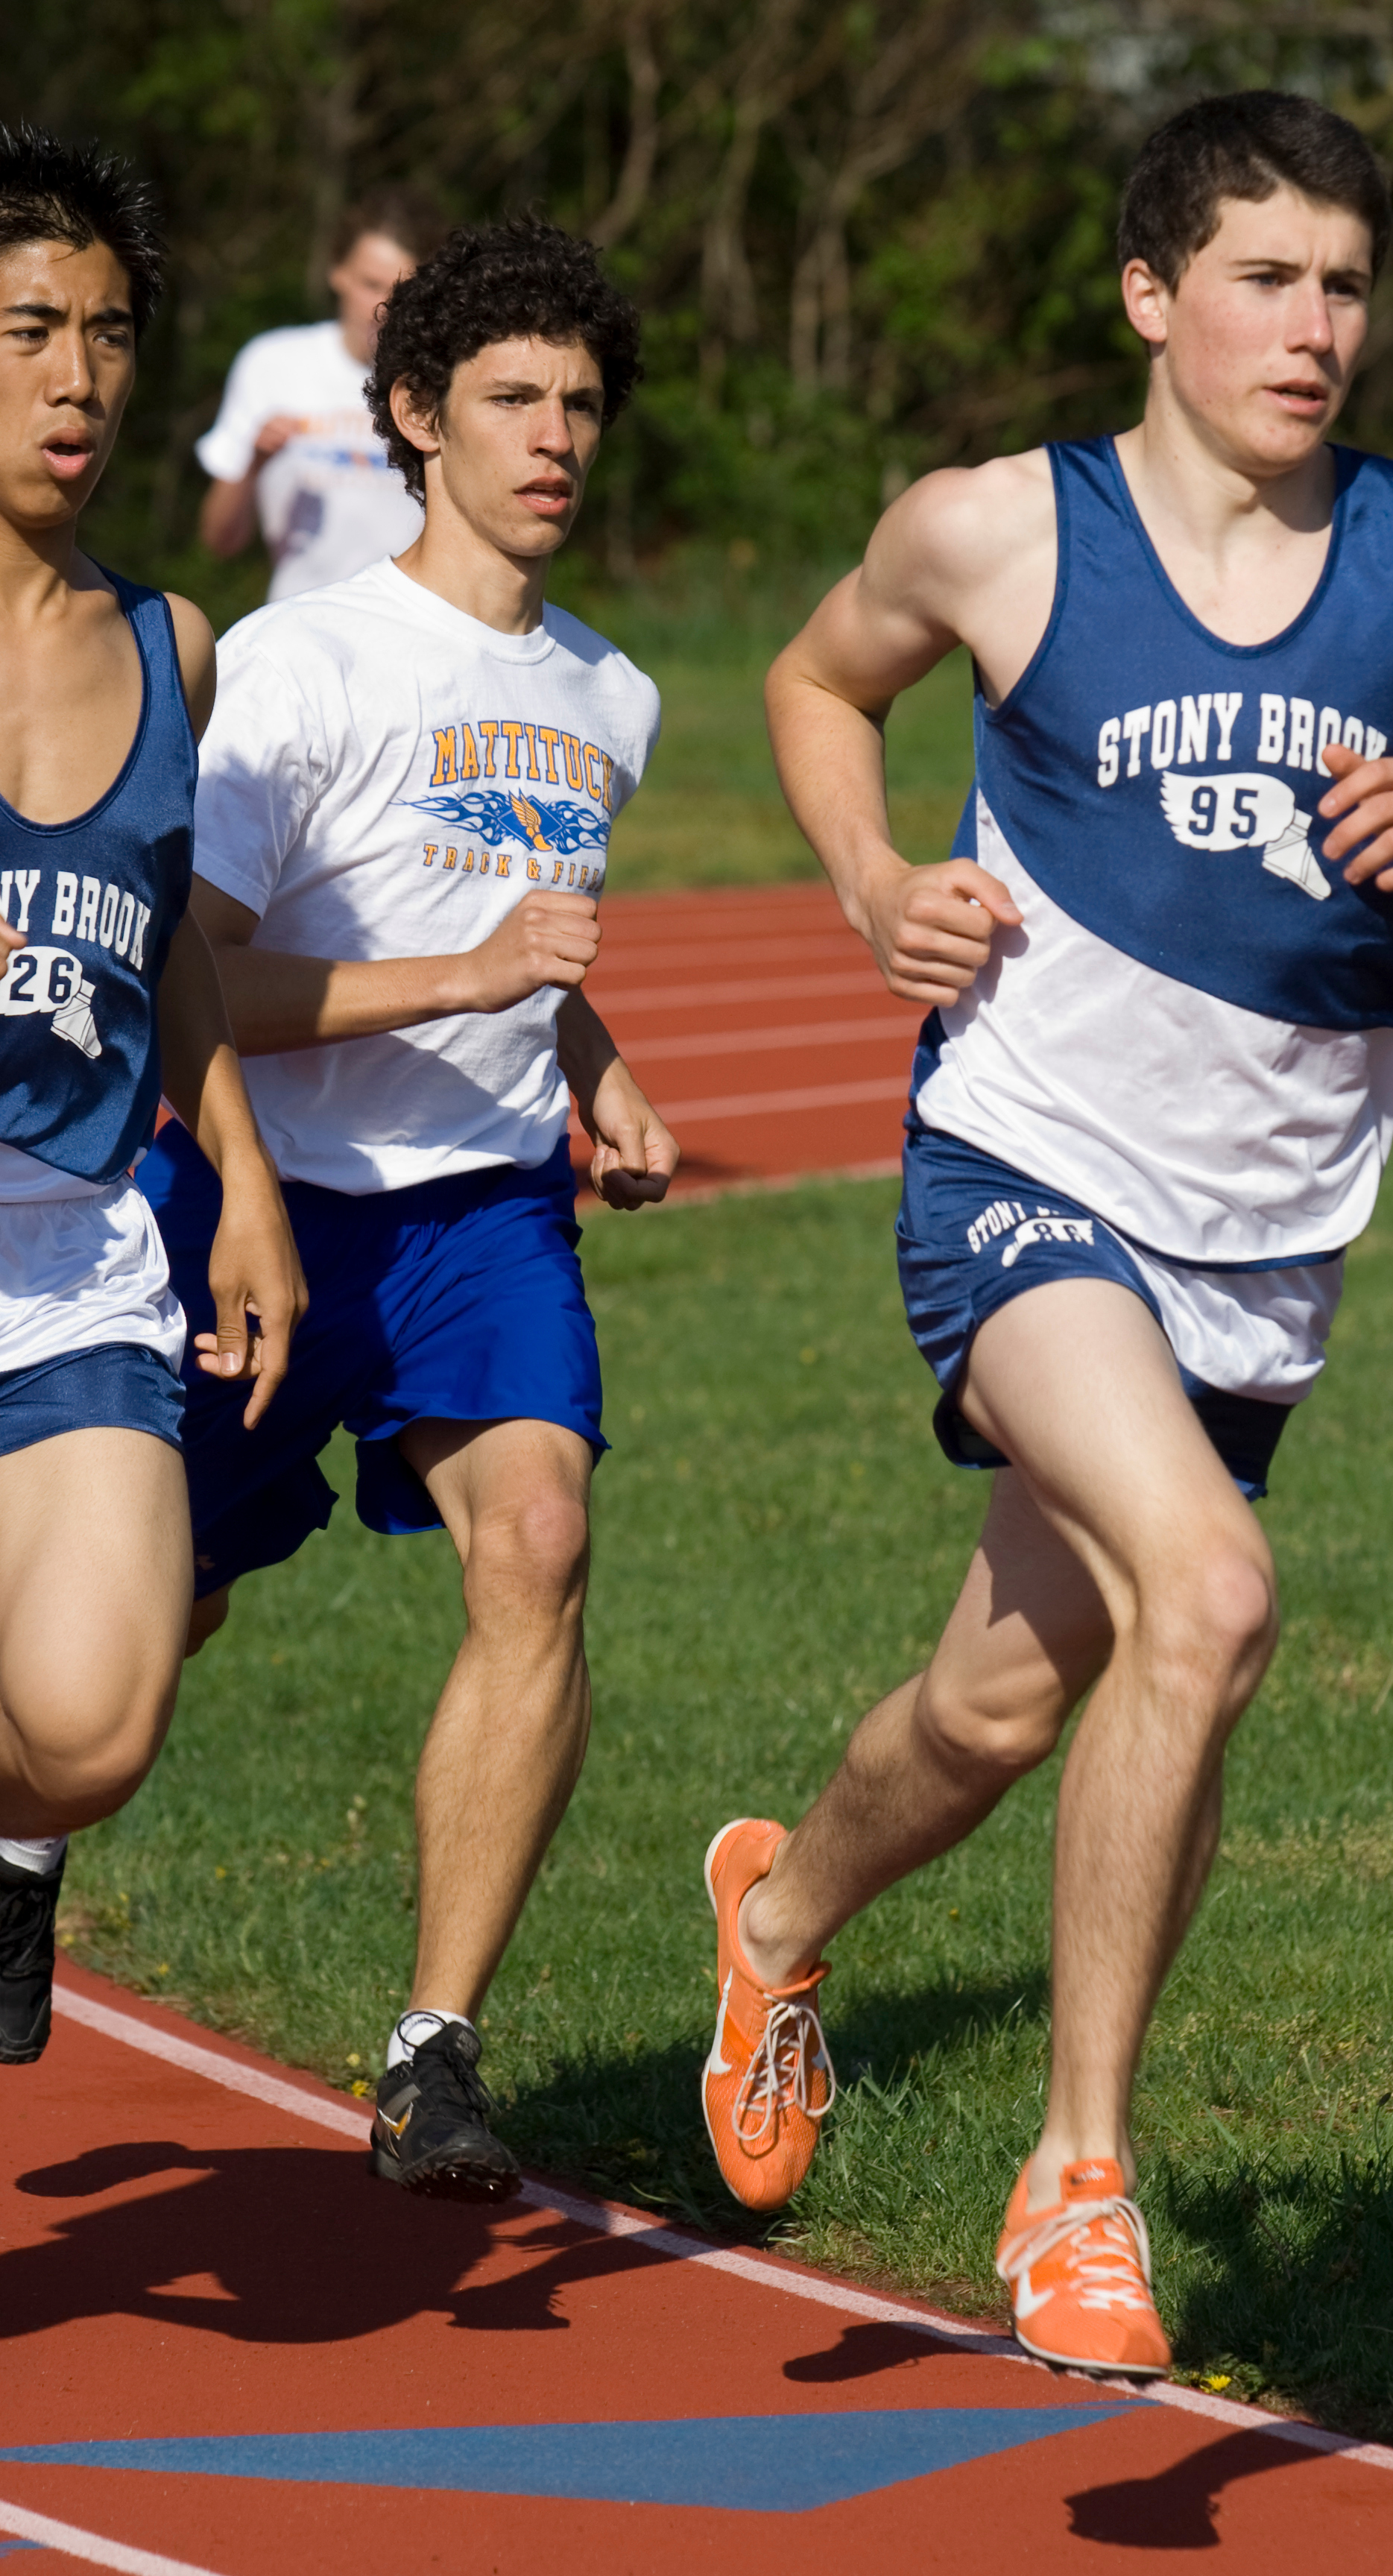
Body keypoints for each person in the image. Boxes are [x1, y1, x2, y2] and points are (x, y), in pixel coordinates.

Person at [701, 91, 1393, 2375]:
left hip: (1266, 1235)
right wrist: (870, 881)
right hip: (1024, 1164)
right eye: (1265, 279)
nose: (1316, 330)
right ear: (1150, 294)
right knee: (1206, 1596)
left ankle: (779, 1917)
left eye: (1347, 285)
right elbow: (816, 680)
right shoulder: (1000, 529)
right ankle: (1080, 2185)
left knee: (1005, 1701)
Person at [139, 215, 678, 2202]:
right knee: (144, 1623)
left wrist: (594, 1061)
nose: (554, 439)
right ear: (416, 419)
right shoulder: (298, 662)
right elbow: (193, 972)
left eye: (581, 405)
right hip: (264, 1204)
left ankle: (434, 2052)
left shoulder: (612, 694)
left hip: (483, 1220)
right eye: (512, 399)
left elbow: (532, 935)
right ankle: (24, 1844)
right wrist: (470, 977)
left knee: (538, 1542)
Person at [0, 124, 305, 2064]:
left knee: (96, 1728)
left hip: (80, 1251)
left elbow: (167, 935)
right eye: (30, 329)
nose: (79, 380)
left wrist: (247, 1184)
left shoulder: (166, 641)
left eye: (108, 335)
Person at [196, 189, 446, 601]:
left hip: (417, 622)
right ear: (337, 271)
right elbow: (220, 542)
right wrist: (254, 463)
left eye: (402, 291)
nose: (384, 307)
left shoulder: (441, 381)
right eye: (370, 284)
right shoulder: (272, 362)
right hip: (300, 621)